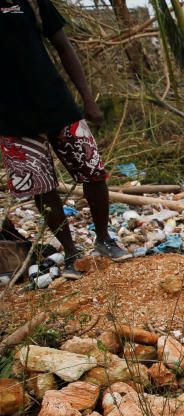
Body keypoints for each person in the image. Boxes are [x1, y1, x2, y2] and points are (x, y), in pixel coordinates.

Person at [0, 0, 131, 280]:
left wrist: (87, 98)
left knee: (92, 171)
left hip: (56, 102)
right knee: (41, 187)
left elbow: (63, 47)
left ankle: (105, 239)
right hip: (11, 117)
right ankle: (71, 252)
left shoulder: (33, 1)